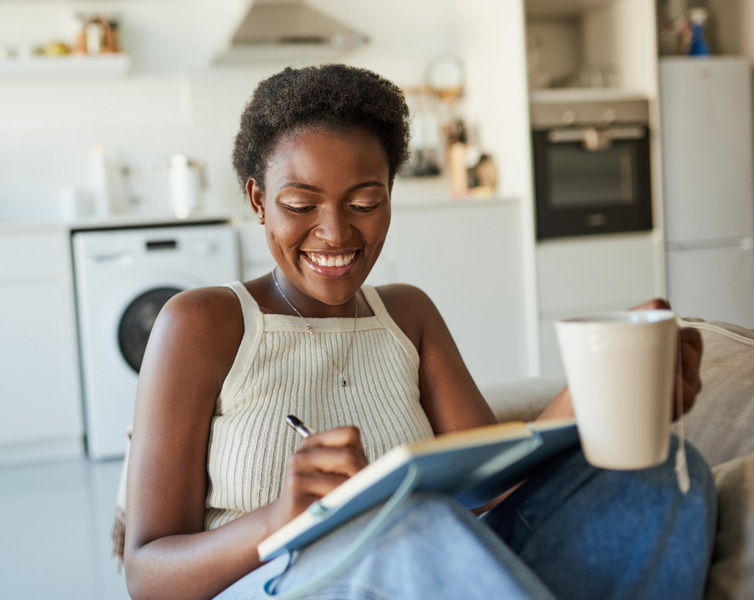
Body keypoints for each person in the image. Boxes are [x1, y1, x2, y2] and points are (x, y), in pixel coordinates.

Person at [122, 64, 715, 600]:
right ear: (258, 200)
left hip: (429, 566)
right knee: (412, 520)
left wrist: (606, 390)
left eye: (364, 201)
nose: (334, 233)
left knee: (662, 473)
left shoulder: (408, 315)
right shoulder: (202, 323)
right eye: (301, 204)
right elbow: (146, 575)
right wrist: (282, 516)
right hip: (286, 582)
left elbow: (494, 484)